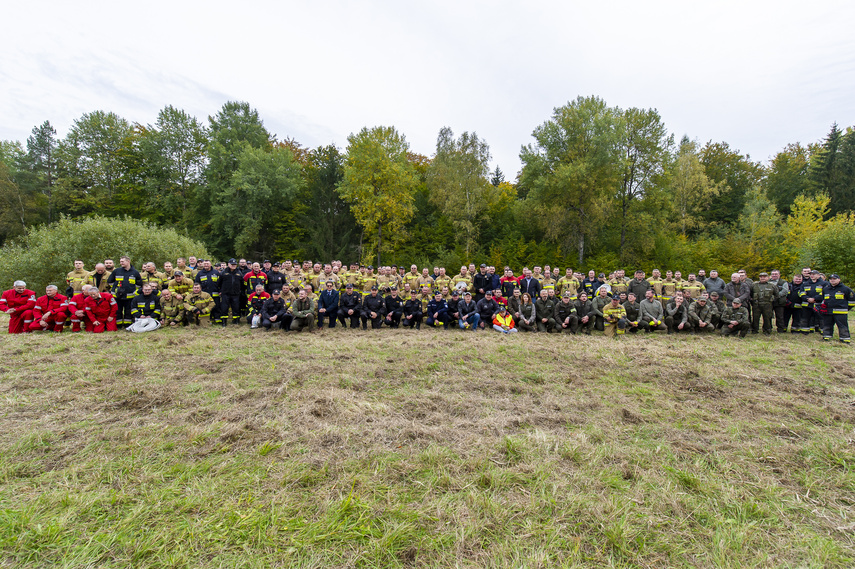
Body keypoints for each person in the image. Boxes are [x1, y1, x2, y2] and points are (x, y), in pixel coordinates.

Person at [106, 256, 141, 327]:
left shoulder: (135, 272)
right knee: (117, 310)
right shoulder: (116, 271)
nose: (121, 263)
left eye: (122, 261)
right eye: (120, 261)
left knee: (128, 311)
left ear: (128, 261)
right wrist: (116, 288)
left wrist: (134, 291)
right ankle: (118, 325)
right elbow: (109, 281)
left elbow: (139, 284)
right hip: (117, 296)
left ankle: (127, 325)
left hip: (130, 296)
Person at [820, 274, 853, 343]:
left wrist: (846, 308)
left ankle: (845, 339)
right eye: (831, 279)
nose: (832, 280)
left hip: (840, 312)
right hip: (828, 311)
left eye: (834, 279)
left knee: (842, 326)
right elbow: (823, 299)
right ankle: (826, 337)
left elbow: (852, 300)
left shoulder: (845, 289)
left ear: (839, 279)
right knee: (827, 324)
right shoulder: (826, 289)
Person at [218, 259, 244, 327]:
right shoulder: (223, 272)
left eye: (234, 265)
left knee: (236, 307)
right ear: (228, 264)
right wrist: (221, 291)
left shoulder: (239, 273)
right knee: (224, 307)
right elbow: (219, 283)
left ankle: (236, 321)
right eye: (232, 264)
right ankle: (224, 321)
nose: (233, 266)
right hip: (225, 293)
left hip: (236, 294)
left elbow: (242, 283)